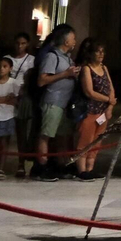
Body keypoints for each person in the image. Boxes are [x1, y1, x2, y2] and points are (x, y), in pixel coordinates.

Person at [32, 24, 78, 181]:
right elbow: (42, 80)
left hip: (64, 103)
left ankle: (60, 165)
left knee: (62, 136)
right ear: (65, 41)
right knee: (46, 135)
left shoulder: (67, 58)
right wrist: (66, 74)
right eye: (73, 38)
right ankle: (41, 166)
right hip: (53, 101)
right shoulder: (52, 57)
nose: (75, 41)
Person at [72, 38, 115, 180]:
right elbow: (89, 91)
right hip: (90, 110)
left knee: (97, 141)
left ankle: (90, 169)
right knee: (85, 140)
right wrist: (108, 100)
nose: (101, 54)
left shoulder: (104, 68)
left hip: (103, 112)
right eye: (97, 52)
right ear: (91, 54)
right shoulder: (86, 69)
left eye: (102, 52)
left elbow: (110, 88)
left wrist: (110, 106)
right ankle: (81, 170)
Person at [7, 33, 38, 177]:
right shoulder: (7, 59)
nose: (20, 46)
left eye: (23, 43)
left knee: (23, 131)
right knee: (5, 132)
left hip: (24, 97)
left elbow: (32, 79)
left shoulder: (31, 60)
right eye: (18, 43)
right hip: (7, 95)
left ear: (28, 44)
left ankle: (23, 163)